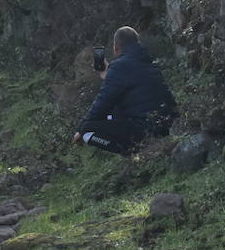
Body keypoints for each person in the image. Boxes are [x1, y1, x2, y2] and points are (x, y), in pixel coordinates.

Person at [73, 25, 178, 155]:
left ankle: (130, 152)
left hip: (146, 128)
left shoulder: (119, 67)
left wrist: (80, 130)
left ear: (116, 46)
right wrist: (107, 76)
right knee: (112, 114)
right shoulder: (147, 61)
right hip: (167, 123)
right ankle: (136, 148)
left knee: (87, 130)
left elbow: (103, 102)